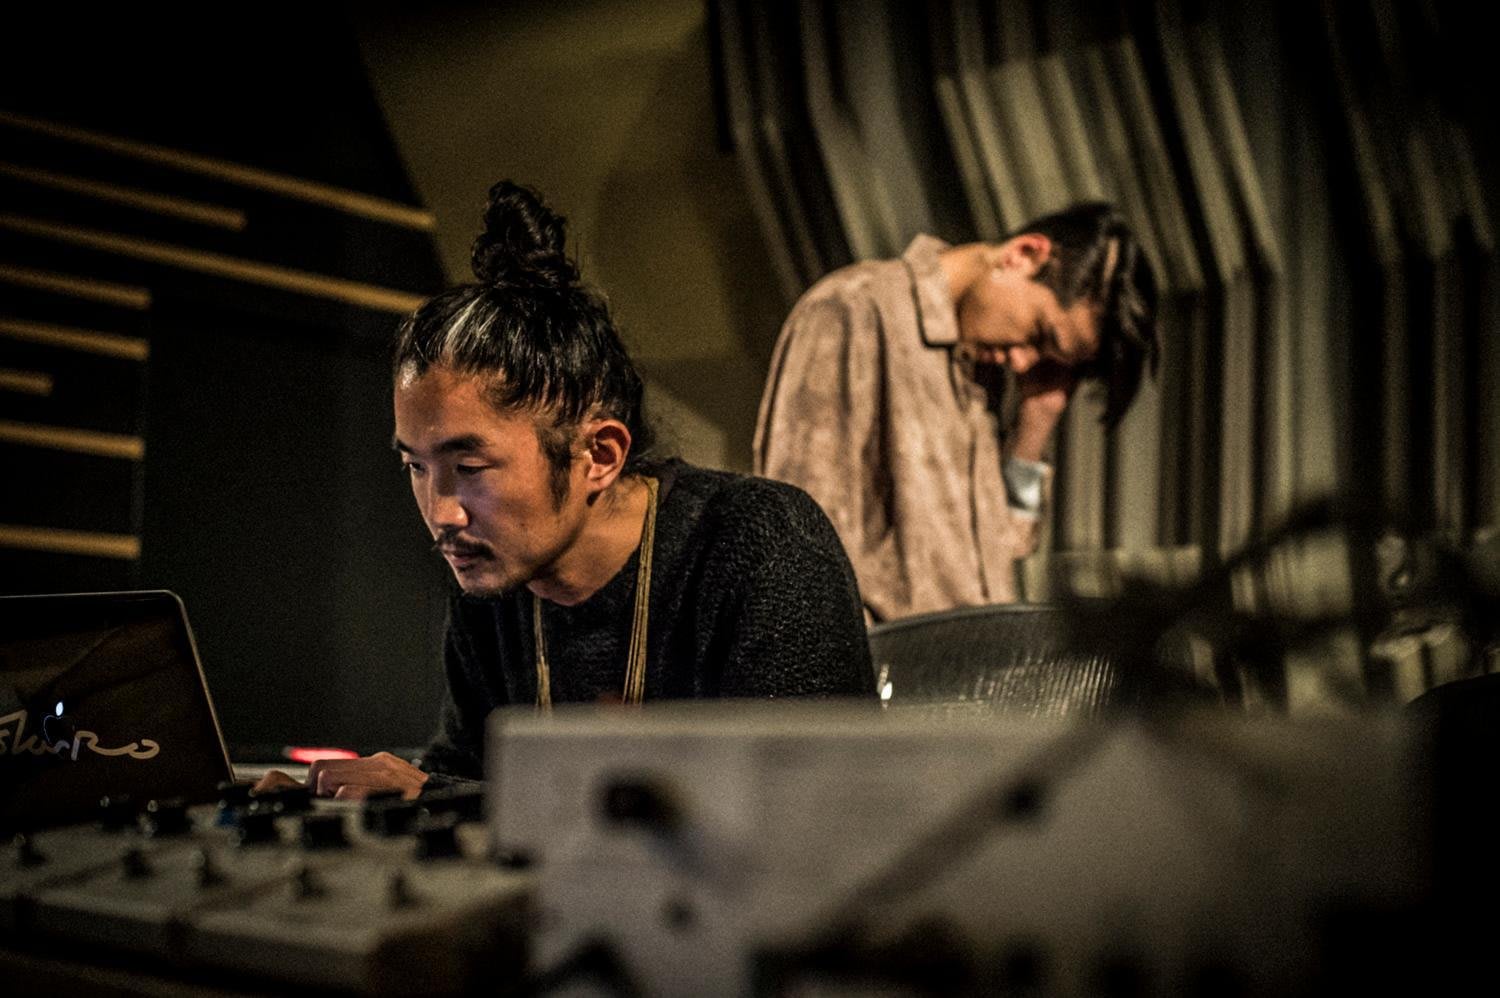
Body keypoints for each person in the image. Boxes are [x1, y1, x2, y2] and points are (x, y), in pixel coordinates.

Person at [258, 181, 874, 800]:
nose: (441, 514)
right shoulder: (491, 581)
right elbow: (463, 770)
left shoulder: (764, 544)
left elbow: (804, 806)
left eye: (469, 467)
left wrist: (438, 795)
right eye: (415, 467)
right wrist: (344, 805)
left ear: (599, 455)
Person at [754, 203, 1159, 623]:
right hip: (888, 660)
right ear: (1022, 254)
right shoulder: (856, 309)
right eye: (1039, 335)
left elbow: (1008, 549)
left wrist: (1036, 422)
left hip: (974, 658)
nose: (1023, 362)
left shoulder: (986, 366)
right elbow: (798, 539)